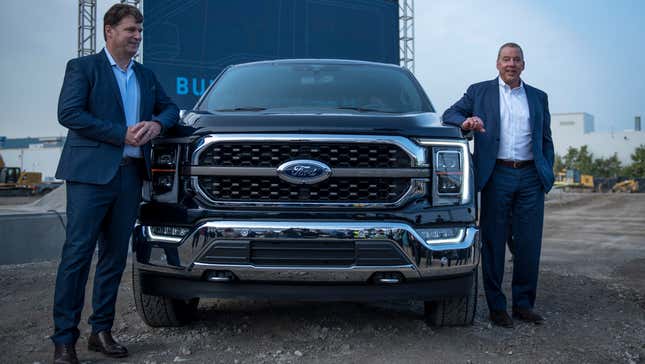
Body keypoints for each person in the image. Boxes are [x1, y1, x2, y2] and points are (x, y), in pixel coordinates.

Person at [51, 4, 179, 363]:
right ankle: (64, 340)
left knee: (112, 259)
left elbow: (170, 110)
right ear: (109, 31)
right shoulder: (83, 68)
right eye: (130, 30)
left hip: (128, 177)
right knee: (76, 257)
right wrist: (119, 133)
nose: (137, 37)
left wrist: (157, 126)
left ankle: (101, 332)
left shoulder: (145, 76)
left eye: (139, 31)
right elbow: (69, 113)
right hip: (90, 177)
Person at [442, 42, 554, 328]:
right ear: (497, 63)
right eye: (506, 59)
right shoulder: (479, 92)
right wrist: (467, 122)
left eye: (516, 60)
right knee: (493, 243)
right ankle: (497, 307)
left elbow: (546, 139)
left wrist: (546, 172)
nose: (511, 64)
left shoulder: (538, 97)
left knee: (528, 243)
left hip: (530, 177)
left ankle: (524, 305)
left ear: (523, 65)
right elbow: (449, 114)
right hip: (496, 175)